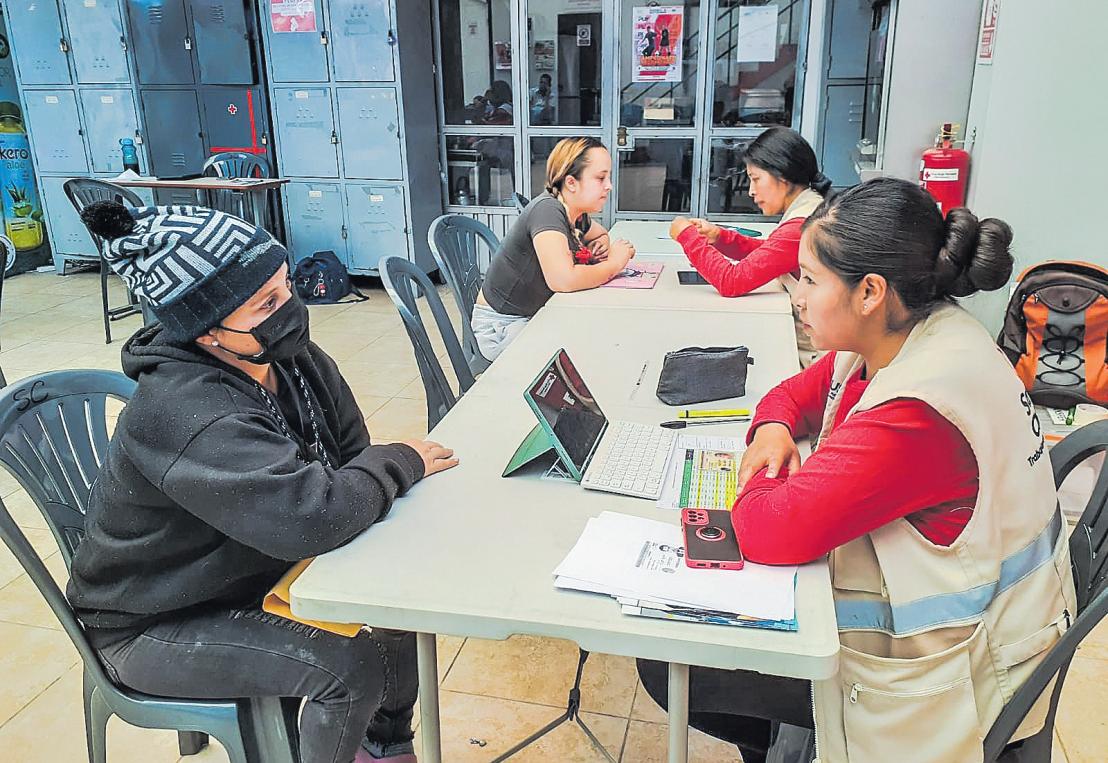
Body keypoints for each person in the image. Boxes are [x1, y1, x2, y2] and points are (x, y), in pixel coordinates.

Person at [638, 178, 1076, 762]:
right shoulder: (906, 332)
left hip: (953, 670)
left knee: (674, 662)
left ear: (870, 291)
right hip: (979, 623)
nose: (797, 297)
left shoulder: (919, 410)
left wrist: (763, 476)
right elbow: (792, 393)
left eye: (809, 281)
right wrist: (771, 429)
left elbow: (767, 528)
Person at [66, 202, 460, 763]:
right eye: (266, 304)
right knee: (347, 671)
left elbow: (351, 453)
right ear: (206, 330)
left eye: (285, 286)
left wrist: (365, 478)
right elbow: (312, 518)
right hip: (155, 622)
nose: (291, 310)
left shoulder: (289, 358)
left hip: (248, 570)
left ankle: (384, 746)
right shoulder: (186, 412)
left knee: (396, 605)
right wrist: (400, 461)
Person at [668, 126, 832, 367]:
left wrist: (686, 236)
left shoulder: (801, 226)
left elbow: (731, 281)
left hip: (813, 359)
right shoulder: (811, 209)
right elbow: (774, 253)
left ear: (782, 176)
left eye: (755, 179)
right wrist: (720, 237)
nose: (751, 191)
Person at [472, 137, 635, 361]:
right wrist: (614, 263)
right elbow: (563, 280)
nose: (609, 186)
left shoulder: (574, 213)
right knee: (591, 353)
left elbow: (599, 234)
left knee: (599, 338)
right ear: (571, 183)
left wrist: (601, 244)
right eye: (600, 178)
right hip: (502, 327)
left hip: (535, 315)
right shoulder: (548, 210)